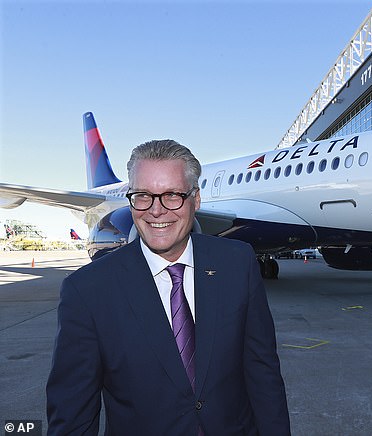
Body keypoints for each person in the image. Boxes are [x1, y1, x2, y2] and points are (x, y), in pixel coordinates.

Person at [47, 140, 290, 435]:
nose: (157, 211)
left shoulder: (238, 264)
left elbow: (263, 375)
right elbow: (73, 416)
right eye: (143, 196)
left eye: (173, 195)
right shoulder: (87, 290)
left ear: (195, 199)